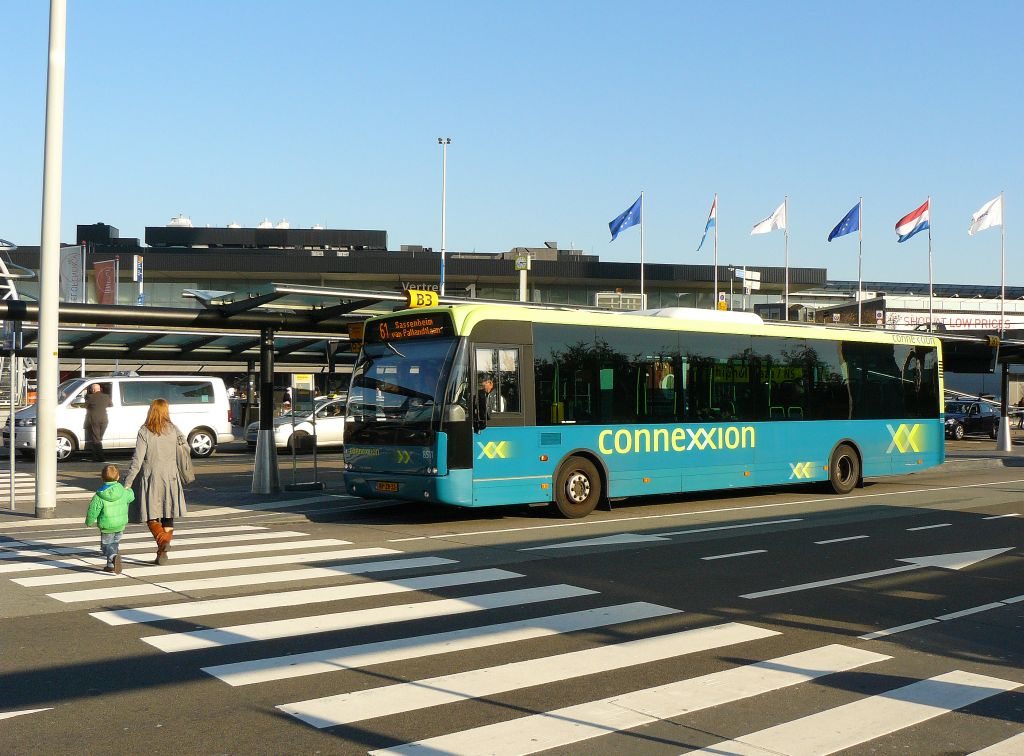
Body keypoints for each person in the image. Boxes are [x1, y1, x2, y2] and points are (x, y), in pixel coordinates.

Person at [124, 398, 189, 565]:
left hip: (151, 477)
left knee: (151, 515)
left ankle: (162, 542)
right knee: (168, 514)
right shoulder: (174, 430)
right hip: (171, 476)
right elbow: (185, 449)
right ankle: (162, 551)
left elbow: (137, 460)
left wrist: (128, 482)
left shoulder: (145, 431)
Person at [84, 464, 134, 574]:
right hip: (120, 524)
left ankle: (112, 557)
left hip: (107, 526)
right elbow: (131, 497)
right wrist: (129, 489)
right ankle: (111, 565)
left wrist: (89, 521)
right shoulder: (123, 492)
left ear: (102, 478)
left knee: (106, 546)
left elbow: (93, 510)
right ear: (118, 477)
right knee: (115, 544)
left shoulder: (99, 495)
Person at [83, 383, 112, 462]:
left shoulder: (90, 397)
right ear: (100, 389)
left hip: (94, 419)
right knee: (98, 438)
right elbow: (110, 404)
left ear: (93, 390)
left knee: (96, 439)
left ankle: (101, 458)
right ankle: (95, 457)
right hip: (104, 420)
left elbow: (85, 405)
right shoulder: (106, 396)